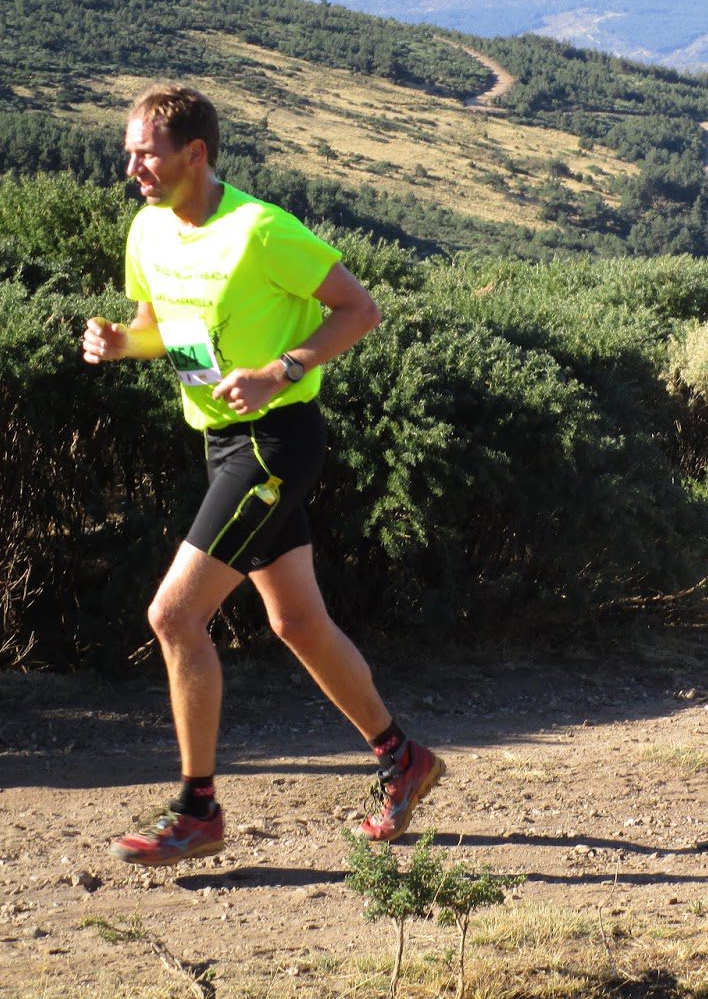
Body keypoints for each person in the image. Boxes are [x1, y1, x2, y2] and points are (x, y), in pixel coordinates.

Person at [83, 84, 444, 865]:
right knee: (297, 624)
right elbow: (160, 330)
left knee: (174, 616)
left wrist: (280, 370)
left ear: (195, 154)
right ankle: (402, 761)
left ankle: (197, 811)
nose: (131, 166)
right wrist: (121, 345)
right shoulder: (148, 230)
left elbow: (359, 309)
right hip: (220, 443)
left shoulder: (260, 231)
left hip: (274, 442)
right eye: (129, 152)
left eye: (145, 152)